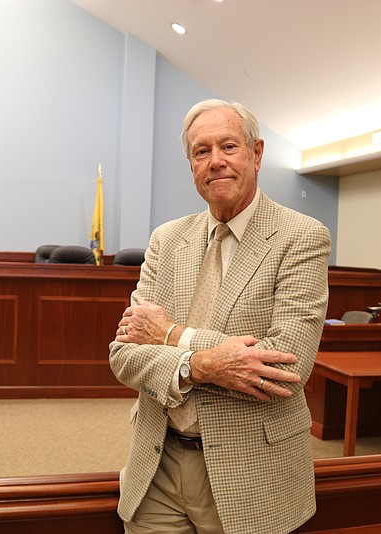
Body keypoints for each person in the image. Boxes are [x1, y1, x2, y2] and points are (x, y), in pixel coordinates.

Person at [109, 99, 330, 534]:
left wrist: (173, 336)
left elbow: (286, 366)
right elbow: (124, 356)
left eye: (228, 146)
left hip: (249, 472)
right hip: (158, 462)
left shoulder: (302, 236)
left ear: (257, 153)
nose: (216, 162)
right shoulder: (167, 240)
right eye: (201, 151)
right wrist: (204, 363)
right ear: (191, 164)